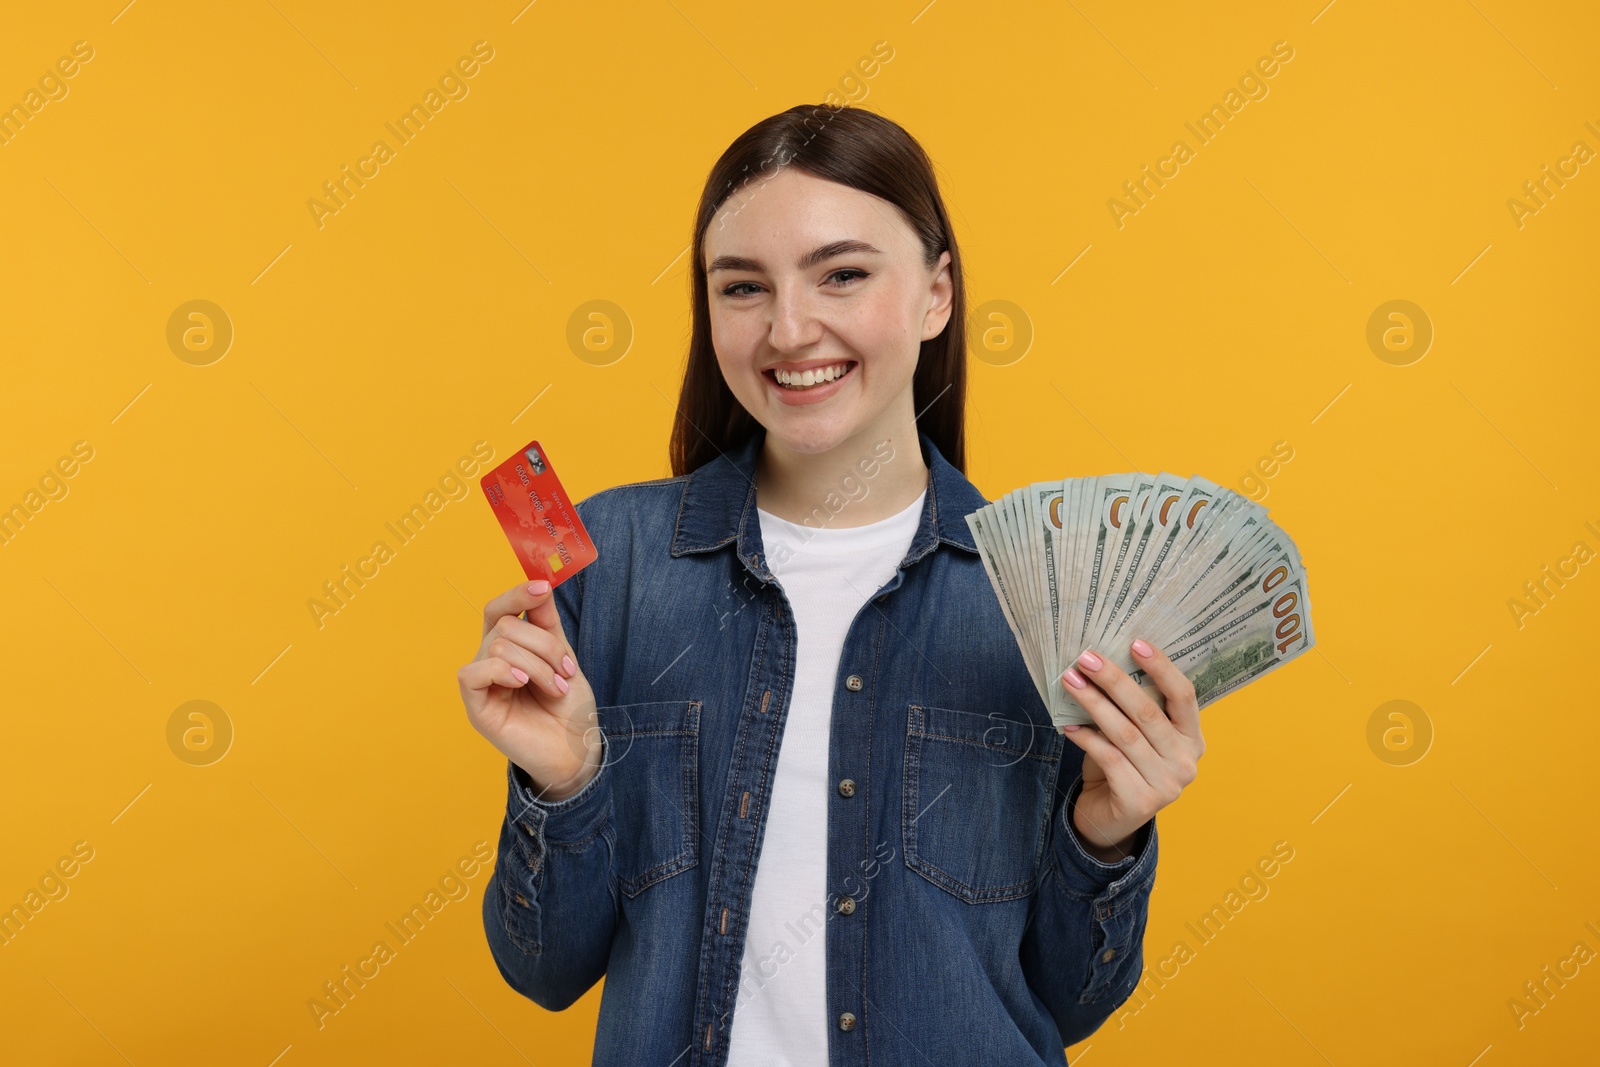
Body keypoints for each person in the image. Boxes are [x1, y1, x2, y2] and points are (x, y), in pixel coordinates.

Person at [458, 103, 1205, 1067]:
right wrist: (562, 784)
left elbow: (1076, 998)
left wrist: (1106, 836)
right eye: (742, 287)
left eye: (842, 274)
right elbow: (543, 969)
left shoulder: (1047, 593)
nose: (789, 329)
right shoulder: (613, 559)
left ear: (937, 294)